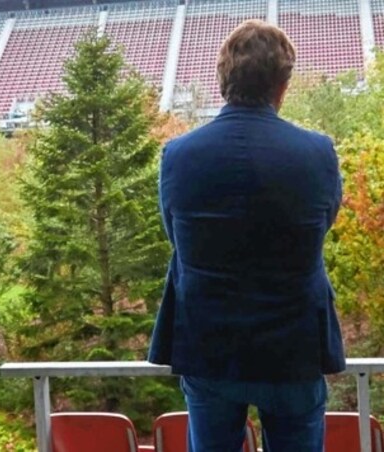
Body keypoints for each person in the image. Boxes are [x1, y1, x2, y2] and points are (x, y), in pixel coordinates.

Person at [148, 20, 345, 451]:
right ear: (282, 85)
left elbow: (175, 235)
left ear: (223, 81)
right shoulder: (317, 154)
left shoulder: (178, 156)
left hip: (208, 345)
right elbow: (322, 223)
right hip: (294, 345)